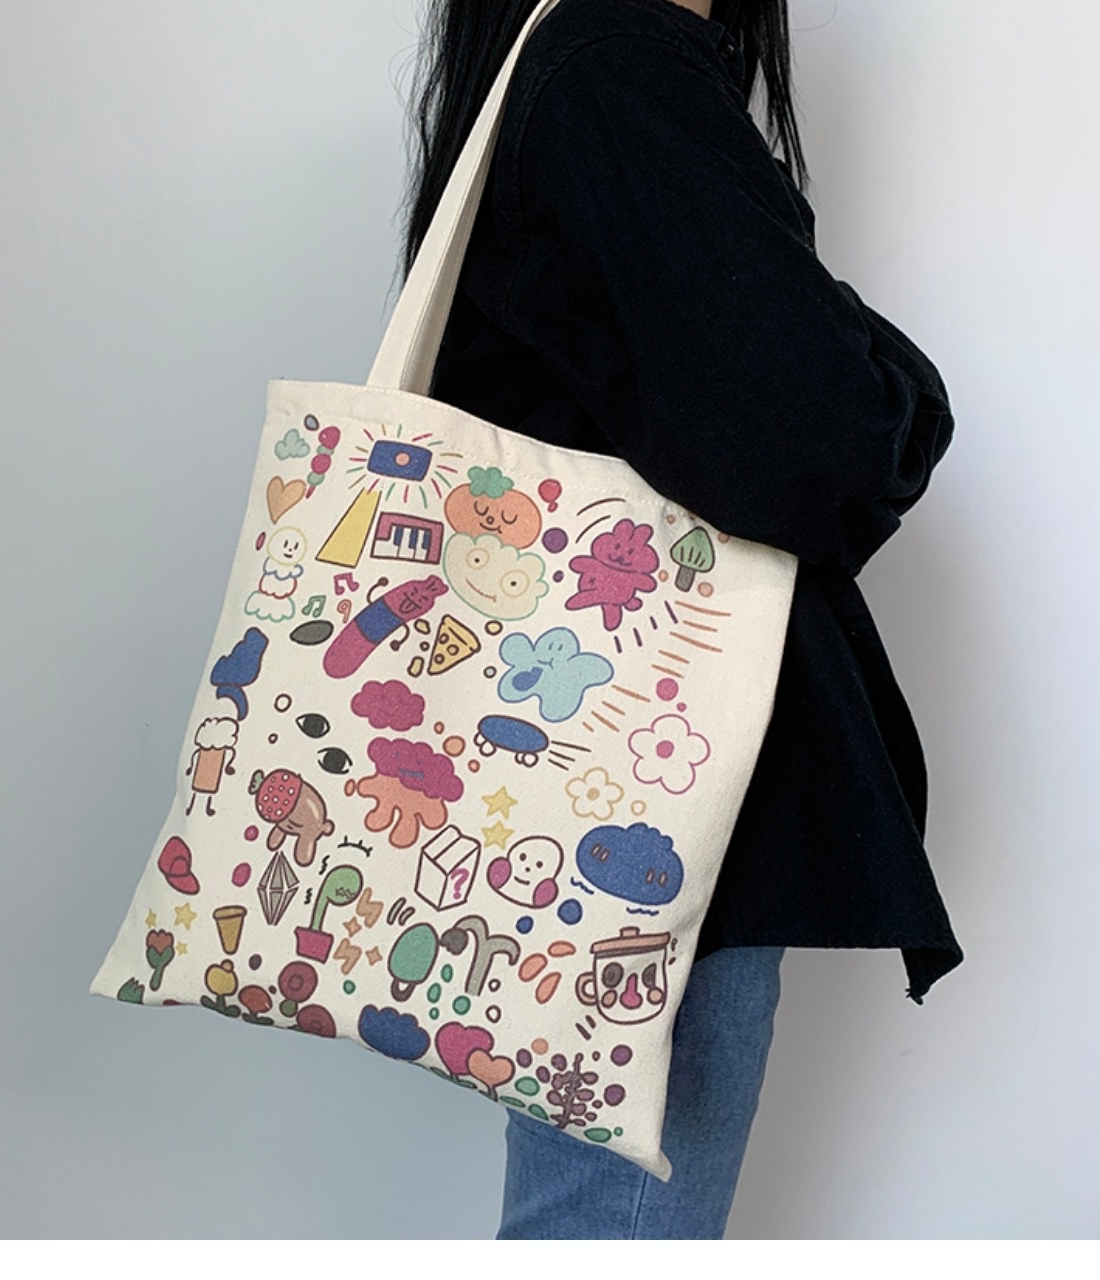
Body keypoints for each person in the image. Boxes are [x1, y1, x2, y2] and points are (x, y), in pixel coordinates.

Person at [395, 0, 963, 1239]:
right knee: (613, 1232)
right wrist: (900, 386)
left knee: (591, 1220)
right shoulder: (615, 63)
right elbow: (816, 437)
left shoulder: (579, 64)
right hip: (657, 793)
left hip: (593, 779)